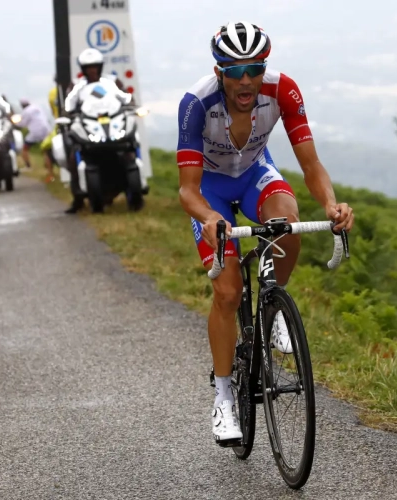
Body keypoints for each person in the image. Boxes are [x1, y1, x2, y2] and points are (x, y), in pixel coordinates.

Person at [176, 22, 354, 443]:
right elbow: (186, 189)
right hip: (210, 189)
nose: (246, 80)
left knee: (286, 221)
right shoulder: (197, 103)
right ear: (218, 71)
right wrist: (209, 217)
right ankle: (222, 397)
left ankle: (274, 305)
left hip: (255, 172)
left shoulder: (283, 91)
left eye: (255, 68)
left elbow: (310, 165)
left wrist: (330, 204)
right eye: (235, 70)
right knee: (227, 292)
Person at [62, 48, 133, 213]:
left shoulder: (113, 82)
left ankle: (135, 190)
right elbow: (68, 107)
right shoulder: (76, 86)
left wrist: (130, 104)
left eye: (94, 66)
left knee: (129, 147)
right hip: (89, 126)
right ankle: (78, 199)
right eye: (88, 67)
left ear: (100, 67)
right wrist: (69, 114)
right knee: (74, 156)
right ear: (83, 69)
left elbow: (127, 98)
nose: (92, 70)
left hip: (113, 125)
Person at [15, 98, 51, 170]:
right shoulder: (37, 107)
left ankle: (28, 166)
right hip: (46, 129)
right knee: (46, 150)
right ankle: (49, 169)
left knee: (25, 149)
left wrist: (14, 123)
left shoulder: (26, 112)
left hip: (35, 132)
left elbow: (22, 124)